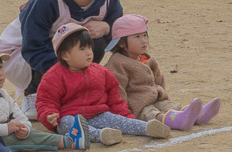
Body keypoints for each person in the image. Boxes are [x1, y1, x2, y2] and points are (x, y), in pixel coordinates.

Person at [0, 0, 125, 99]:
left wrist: (107, 27)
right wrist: (68, 75)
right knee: (65, 42)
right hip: (22, 54)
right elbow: (33, 47)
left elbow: (121, 30)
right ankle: (35, 94)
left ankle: (75, 90)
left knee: (94, 41)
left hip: (65, 52)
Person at [37, 24, 170, 144]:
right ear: (65, 55)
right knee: (67, 123)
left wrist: (126, 116)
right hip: (70, 117)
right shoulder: (53, 76)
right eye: (82, 49)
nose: (89, 52)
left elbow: (115, 99)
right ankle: (101, 135)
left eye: (89, 47)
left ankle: (147, 128)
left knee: (118, 121)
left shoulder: (101, 72)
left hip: (98, 114)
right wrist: (49, 115)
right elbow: (46, 100)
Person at [104, 14, 219, 130]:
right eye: (137, 37)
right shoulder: (118, 63)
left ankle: (196, 115)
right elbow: (117, 90)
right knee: (151, 113)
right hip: (137, 105)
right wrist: (124, 114)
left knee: (168, 105)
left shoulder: (147, 58)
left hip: (156, 98)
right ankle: (177, 121)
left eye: (145, 35)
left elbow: (159, 79)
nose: (143, 41)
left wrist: (162, 94)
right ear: (122, 43)